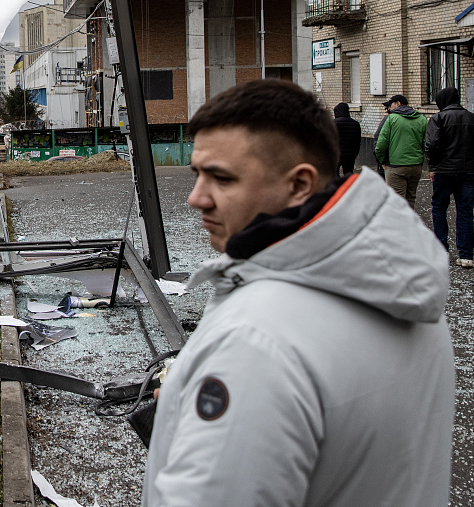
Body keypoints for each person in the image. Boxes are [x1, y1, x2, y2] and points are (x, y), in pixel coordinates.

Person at [144, 80, 452, 506]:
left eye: (221, 178)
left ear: (300, 183)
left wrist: (214, 404)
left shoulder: (255, 342)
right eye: (197, 174)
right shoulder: (406, 291)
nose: (197, 198)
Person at [425, 86, 474, 268]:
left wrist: (435, 165)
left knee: (439, 208)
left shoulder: (438, 118)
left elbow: (431, 145)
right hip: (468, 171)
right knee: (465, 211)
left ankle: (441, 250)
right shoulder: (471, 117)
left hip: (444, 171)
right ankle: (467, 255)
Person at [374, 93, 427, 208]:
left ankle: (399, 226)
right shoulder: (422, 119)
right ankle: (409, 224)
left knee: (396, 203)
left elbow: (381, 144)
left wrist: (381, 161)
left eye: (390, 105)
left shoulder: (391, 119)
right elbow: (427, 144)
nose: (389, 108)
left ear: (398, 104)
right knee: (410, 199)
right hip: (416, 166)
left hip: (396, 166)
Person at [332, 102, 361, 176]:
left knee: (334, 173)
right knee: (348, 172)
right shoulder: (355, 124)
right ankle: (348, 186)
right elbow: (357, 140)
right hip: (350, 154)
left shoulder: (333, 123)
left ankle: (337, 186)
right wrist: (356, 153)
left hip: (336, 153)